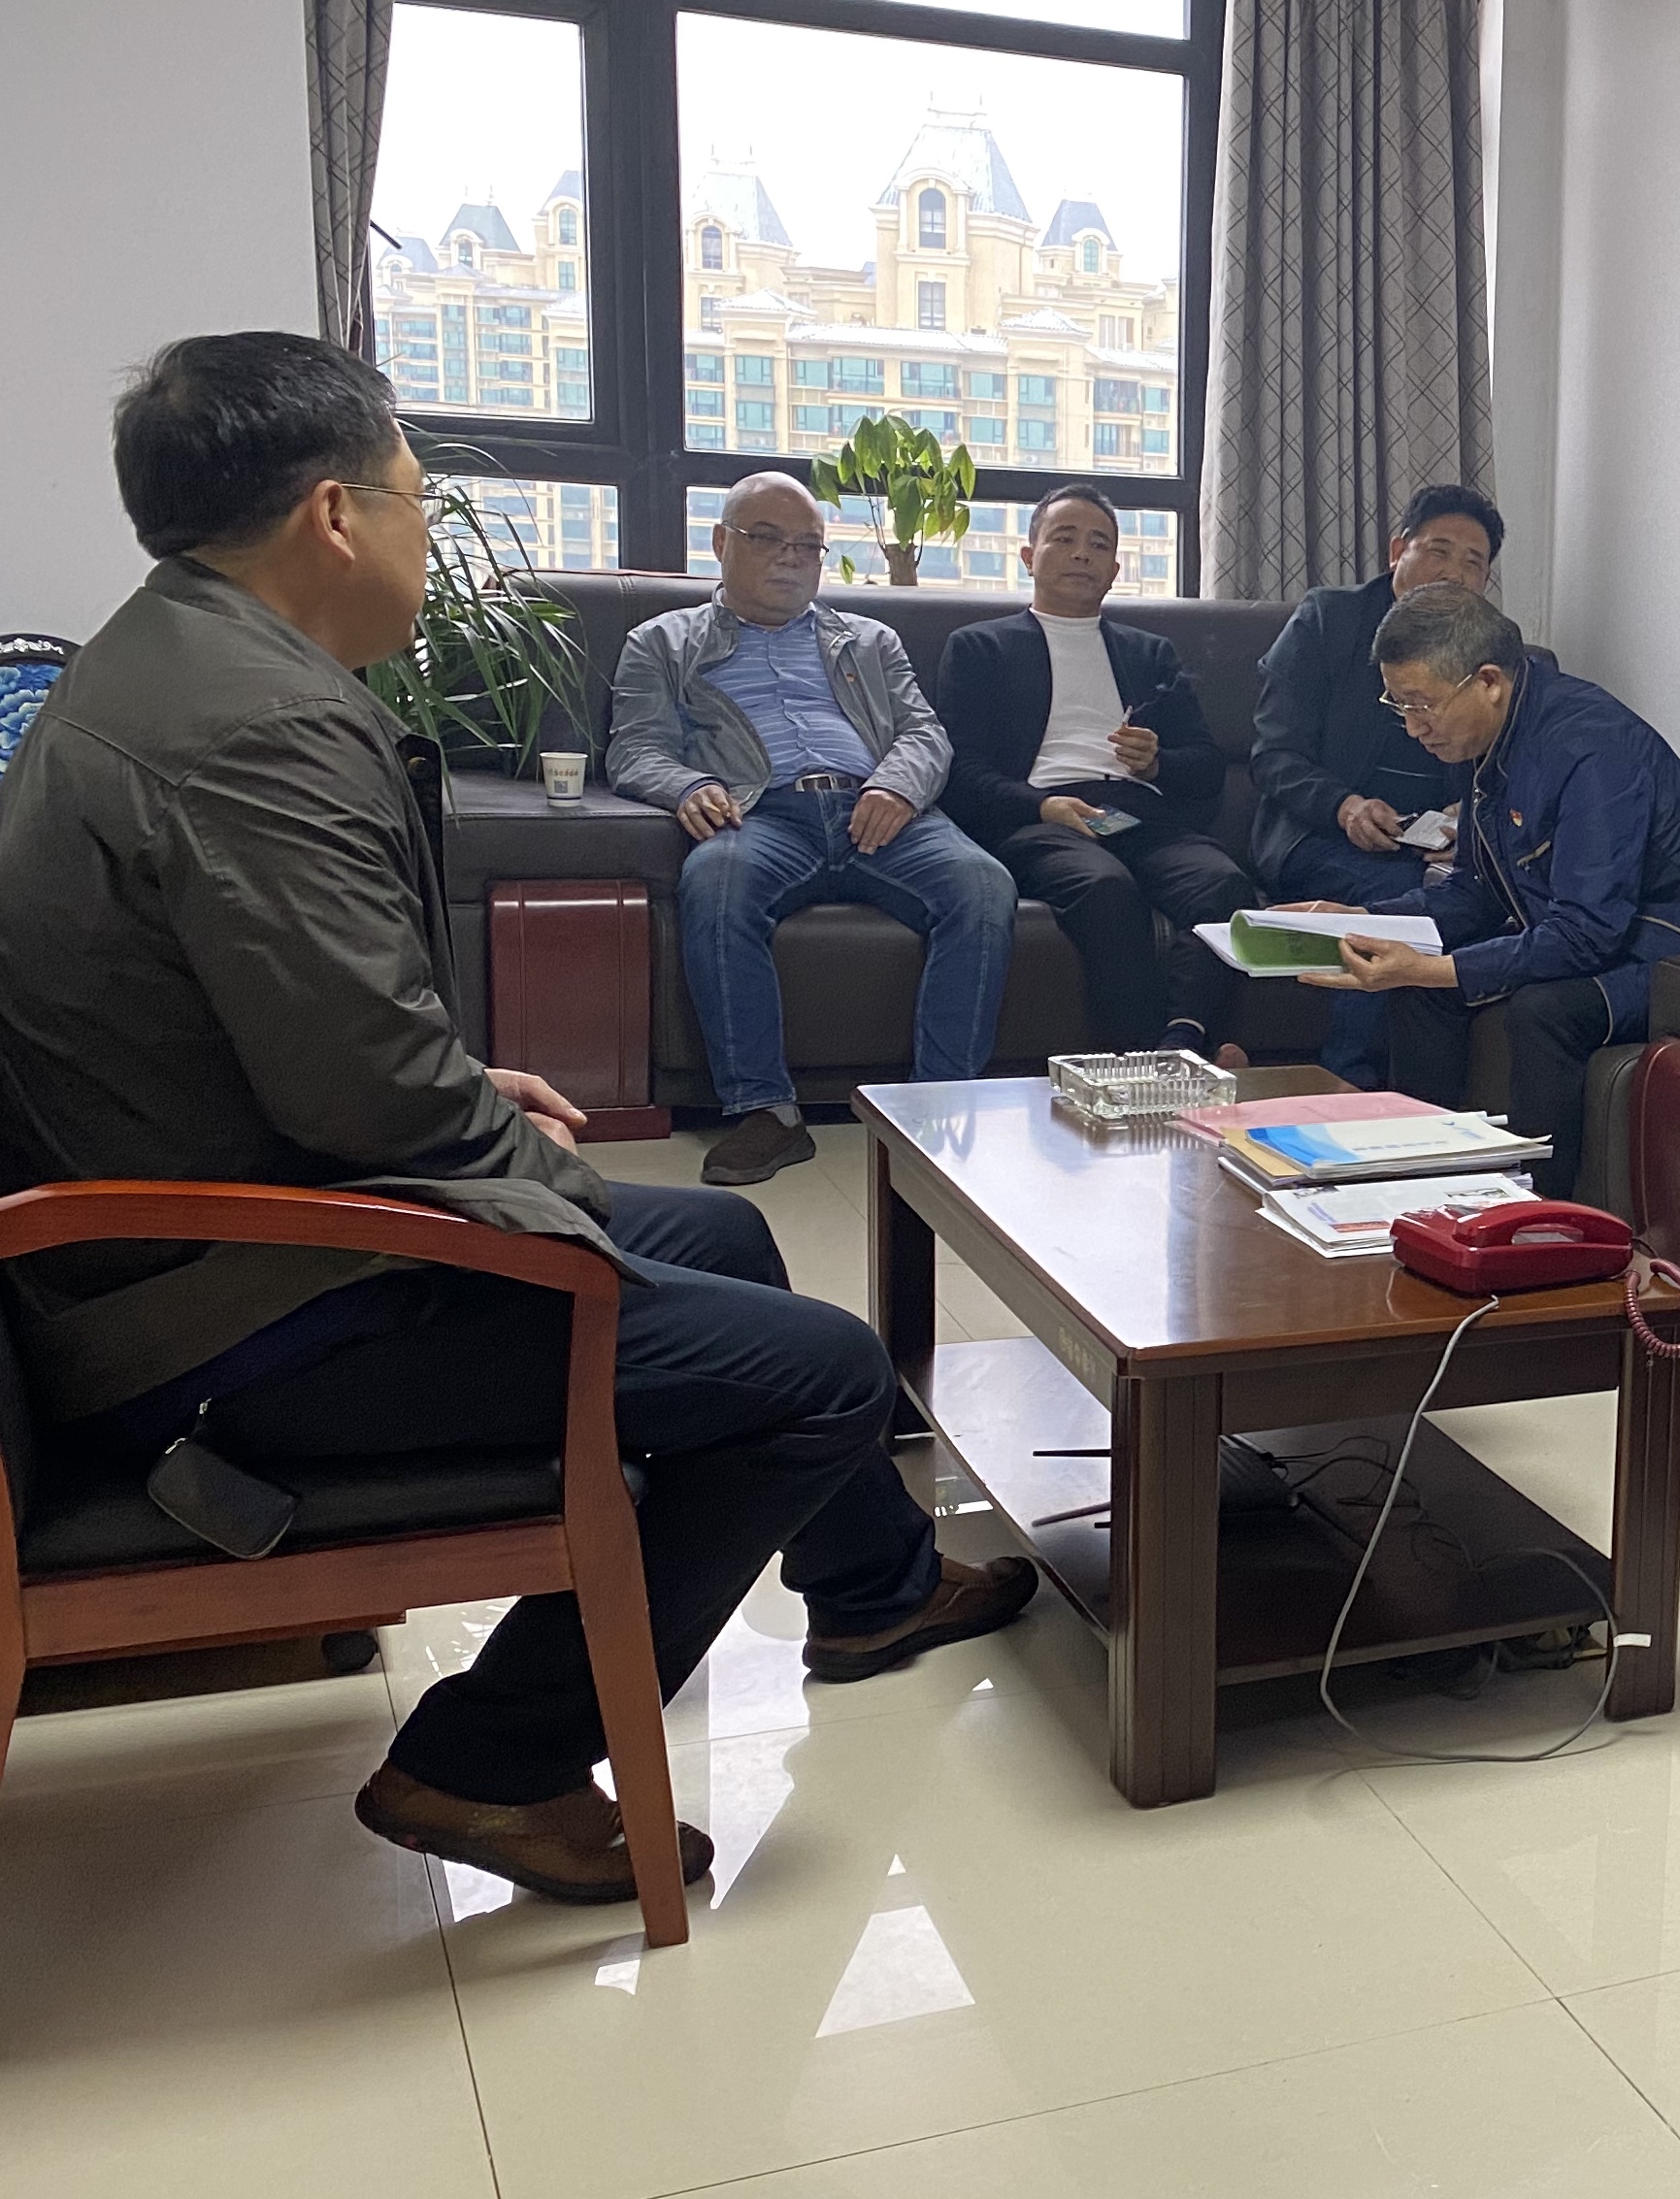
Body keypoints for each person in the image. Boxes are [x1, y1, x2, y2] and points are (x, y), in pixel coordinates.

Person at [0, 332, 1032, 1907]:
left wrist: (465, 1089)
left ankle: (874, 1586)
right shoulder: (251, 728)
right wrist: (533, 1189)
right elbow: (360, 1092)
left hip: (219, 1229)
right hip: (235, 1317)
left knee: (726, 1232)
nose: (427, 534)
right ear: (333, 515)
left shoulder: (170, 662)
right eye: (415, 499)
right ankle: (488, 1760)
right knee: (819, 1371)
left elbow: (276, 1024)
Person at [1282, 584, 1680, 1199]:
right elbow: (1475, 892)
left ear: (1487, 681)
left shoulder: (1589, 746)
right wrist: (1361, 920)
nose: (1411, 727)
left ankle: (1541, 1215)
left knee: (1544, 1008)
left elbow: (1587, 931)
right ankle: (1423, 1184)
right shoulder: (1485, 739)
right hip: (1615, 934)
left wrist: (1433, 968)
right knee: (1422, 990)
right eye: (1398, 704)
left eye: (1422, 705)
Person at [606, 471, 1016, 1186]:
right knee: (716, 883)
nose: (791, 559)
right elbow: (635, 748)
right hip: (760, 812)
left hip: (878, 808)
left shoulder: (871, 640)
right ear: (721, 543)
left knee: (983, 886)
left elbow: (924, 732)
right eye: (768, 539)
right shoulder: (662, 642)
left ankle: (936, 1105)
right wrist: (689, 785)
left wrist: (896, 784)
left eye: (807, 546)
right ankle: (766, 1112)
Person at [932, 481, 1259, 1057]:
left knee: (1224, 884)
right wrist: (1043, 806)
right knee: (1106, 888)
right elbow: (961, 773)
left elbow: (1206, 766)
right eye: (1064, 539)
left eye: (1099, 544)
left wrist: (1157, 764)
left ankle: (1183, 1039)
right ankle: (1140, 1058)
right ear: (1029, 555)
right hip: (1043, 817)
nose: (1083, 553)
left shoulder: (1149, 653)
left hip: (1140, 813)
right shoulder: (980, 648)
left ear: (1114, 570)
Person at [1248, 484, 1501, 1079]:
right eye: (1438, 551)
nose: (1454, 573)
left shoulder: (1489, 653)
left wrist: (1466, 819)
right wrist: (1346, 807)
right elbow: (1274, 753)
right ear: (1396, 552)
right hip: (1317, 835)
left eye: (1473, 562)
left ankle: (1436, 1098)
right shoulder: (1328, 620)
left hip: (1435, 850)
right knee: (1398, 903)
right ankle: (1352, 1082)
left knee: (1476, 902)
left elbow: (1501, 765)